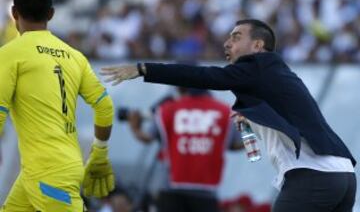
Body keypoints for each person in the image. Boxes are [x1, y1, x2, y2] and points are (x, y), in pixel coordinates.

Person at [101, 19, 357, 212]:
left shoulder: (256, 66)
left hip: (313, 176)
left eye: (236, 37)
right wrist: (254, 120)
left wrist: (143, 68)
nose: (227, 43)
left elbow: (205, 76)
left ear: (258, 46)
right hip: (343, 176)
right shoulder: (275, 75)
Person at [0, 0, 115, 211]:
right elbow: (105, 107)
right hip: (52, 166)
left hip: (48, 172)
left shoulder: (9, 54)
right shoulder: (75, 56)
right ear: (51, 14)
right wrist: (100, 153)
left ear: (14, 13)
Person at [127, 86, 243, 212]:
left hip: (170, 190)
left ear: (181, 88)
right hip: (206, 192)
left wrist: (134, 127)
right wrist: (254, 131)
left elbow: (147, 138)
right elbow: (236, 144)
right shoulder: (225, 112)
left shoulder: (167, 109)